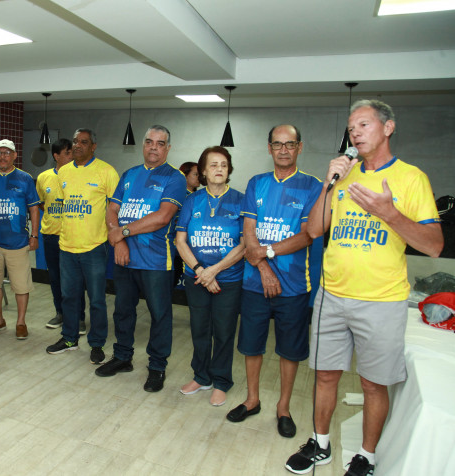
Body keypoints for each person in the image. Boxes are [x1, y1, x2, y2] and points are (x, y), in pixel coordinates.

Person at [285, 100, 443, 476]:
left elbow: (434, 246)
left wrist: (390, 214)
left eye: (364, 124)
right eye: (351, 127)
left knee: (374, 384)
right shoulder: (344, 176)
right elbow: (314, 230)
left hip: (382, 301)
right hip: (332, 296)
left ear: (388, 128)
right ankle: (320, 443)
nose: (355, 133)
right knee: (325, 375)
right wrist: (328, 184)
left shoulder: (411, 178)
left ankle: (366, 456)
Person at [226, 124, 322, 438]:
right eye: (277, 144)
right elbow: (248, 232)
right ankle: (252, 400)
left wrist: (266, 251)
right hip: (255, 283)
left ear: (299, 147)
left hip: (293, 285)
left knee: (289, 350)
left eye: (289, 144)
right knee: (251, 346)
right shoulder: (257, 183)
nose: (283, 150)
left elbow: (307, 235)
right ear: (269, 148)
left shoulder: (312, 186)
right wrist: (265, 269)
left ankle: (283, 407)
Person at [96, 125, 186, 392]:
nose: (153, 147)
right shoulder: (129, 174)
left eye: (160, 143)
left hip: (156, 261)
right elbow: (112, 209)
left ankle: (157, 367)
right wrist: (120, 242)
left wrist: (121, 233)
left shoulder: (175, 178)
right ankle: (122, 357)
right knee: (123, 310)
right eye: (149, 142)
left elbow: (162, 217)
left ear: (168, 148)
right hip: (124, 258)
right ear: (143, 145)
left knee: (159, 315)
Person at [176, 147, 245, 406]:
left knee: (224, 332)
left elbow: (245, 244)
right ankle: (201, 377)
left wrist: (214, 271)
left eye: (224, 165)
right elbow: (180, 241)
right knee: (199, 330)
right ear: (203, 171)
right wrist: (201, 271)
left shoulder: (241, 200)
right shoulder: (192, 200)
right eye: (213, 164)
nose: (219, 169)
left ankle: (221, 381)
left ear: (229, 170)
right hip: (196, 278)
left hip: (228, 279)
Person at [45, 128, 119, 364]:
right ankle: (69, 339)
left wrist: (114, 234)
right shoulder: (64, 172)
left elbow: (116, 208)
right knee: (69, 297)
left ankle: (97, 343)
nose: (77, 145)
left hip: (94, 247)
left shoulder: (106, 171)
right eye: (75, 141)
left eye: (83, 142)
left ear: (93, 146)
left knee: (96, 300)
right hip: (67, 246)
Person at [0, 139, 40, 340]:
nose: (3, 156)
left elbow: (34, 209)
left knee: (21, 285)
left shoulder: (25, 179)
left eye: (7, 153)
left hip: (18, 242)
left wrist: (34, 235)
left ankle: (21, 322)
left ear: (15, 155)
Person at [36, 138, 86, 331]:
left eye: (72, 152)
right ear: (56, 156)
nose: (72, 156)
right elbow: (41, 203)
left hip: (72, 235)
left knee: (75, 279)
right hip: (51, 235)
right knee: (55, 278)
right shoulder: (44, 177)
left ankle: (79, 317)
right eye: (67, 153)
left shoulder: (79, 175)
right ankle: (61, 313)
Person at [173, 161, 199, 288]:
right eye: (195, 174)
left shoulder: (198, 196)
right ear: (185, 175)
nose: (199, 177)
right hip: (177, 247)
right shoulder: (178, 194)